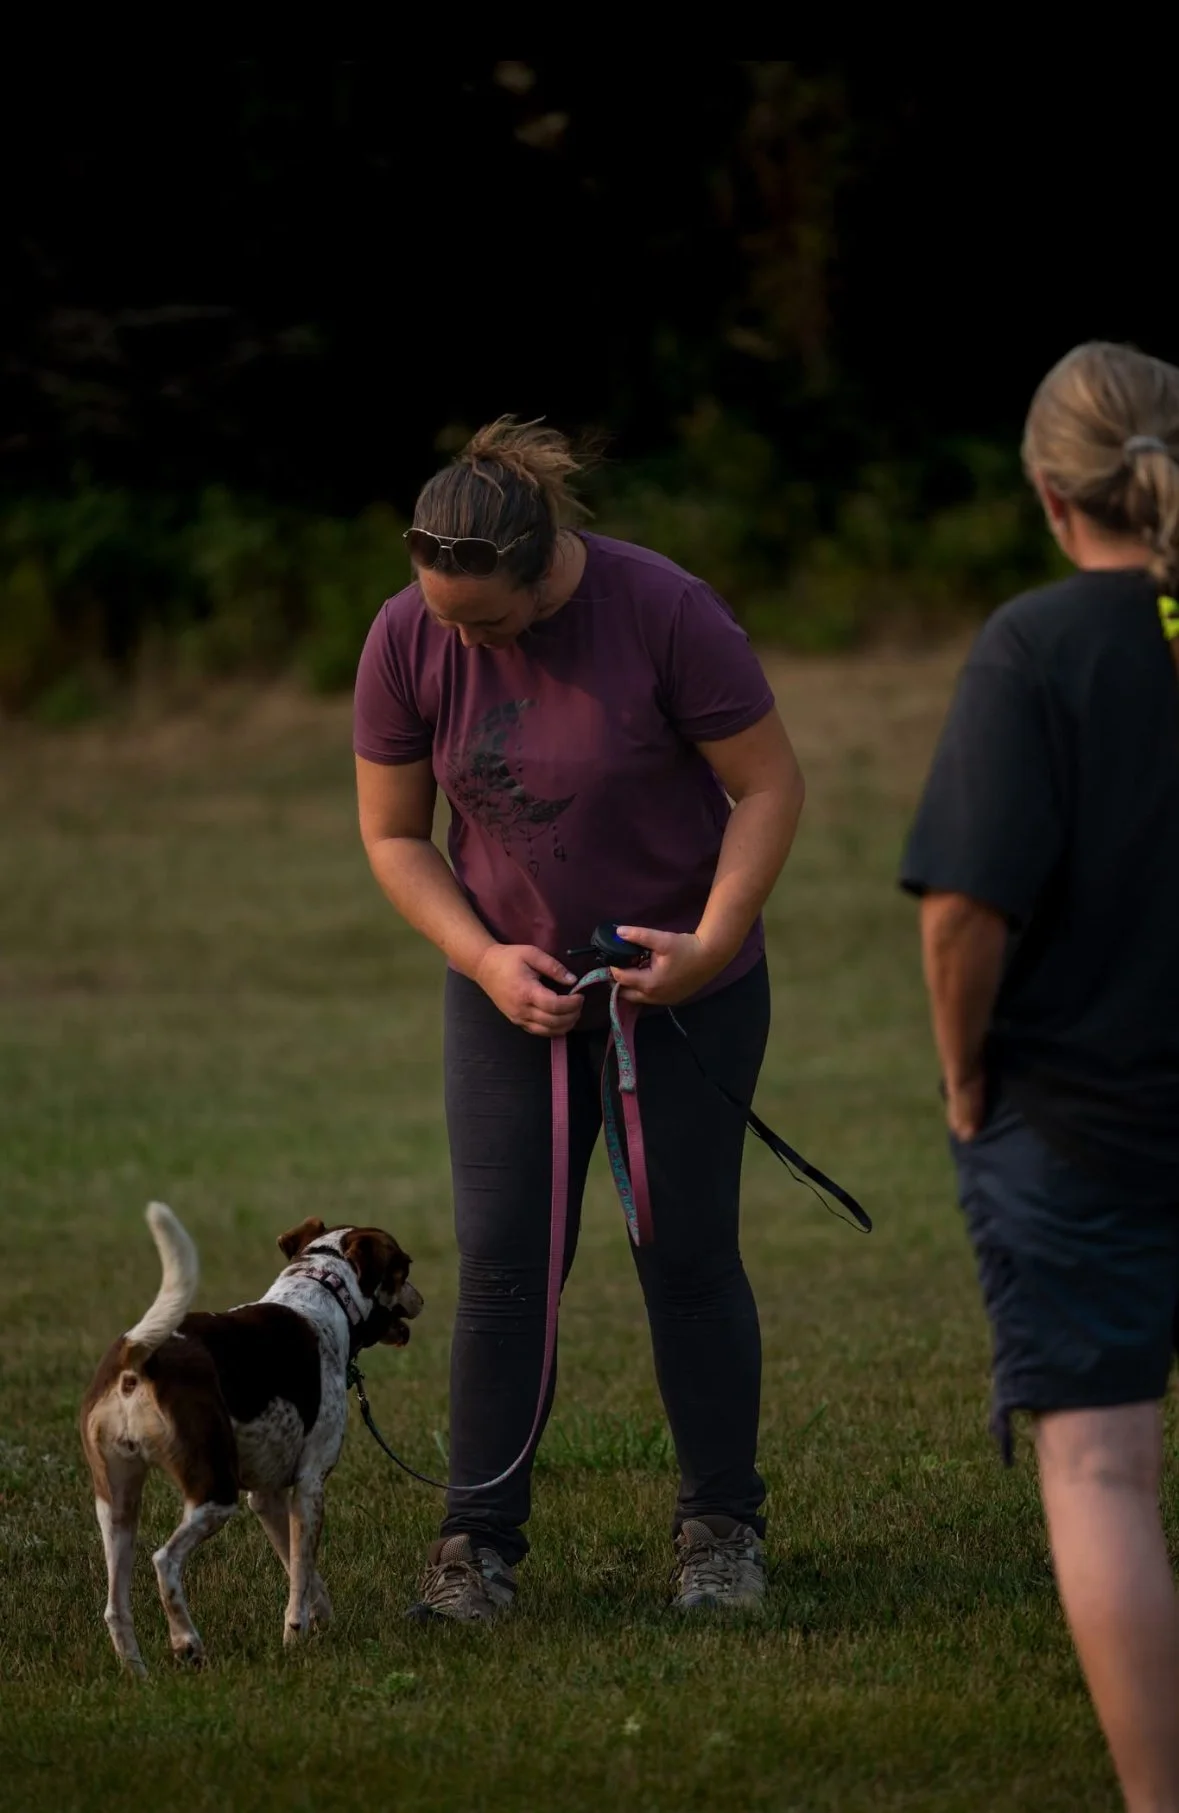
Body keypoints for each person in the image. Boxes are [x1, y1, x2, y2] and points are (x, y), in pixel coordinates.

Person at [353, 418, 805, 1622]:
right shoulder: (408, 634)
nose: (462, 641)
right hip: (509, 991)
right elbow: (395, 835)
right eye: (443, 616)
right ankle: (474, 1550)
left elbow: (768, 787)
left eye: (485, 622)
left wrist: (707, 945)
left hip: (679, 986)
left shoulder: (666, 612)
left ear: (544, 566)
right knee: (504, 1268)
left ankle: (722, 1534)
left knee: (690, 1259)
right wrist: (485, 958)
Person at [901, 342, 1179, 1812]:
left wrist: (958, 1079)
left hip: (1078, 1126)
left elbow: (961, 912)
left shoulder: (1033, 647)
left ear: (1044, 487)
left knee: (1098, 1475)